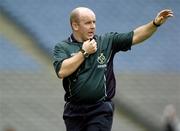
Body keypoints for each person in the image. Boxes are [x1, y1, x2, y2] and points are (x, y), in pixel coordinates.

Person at [53, 7, 173, 131]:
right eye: (88, 23)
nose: (93, 26)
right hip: (73, 111)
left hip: (99, 109)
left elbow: (135, 36)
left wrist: (155, 24)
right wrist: (84, 52)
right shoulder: (62, 47)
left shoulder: (106, 42)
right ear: (75, 26)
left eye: (94, 22)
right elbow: (62, 71)